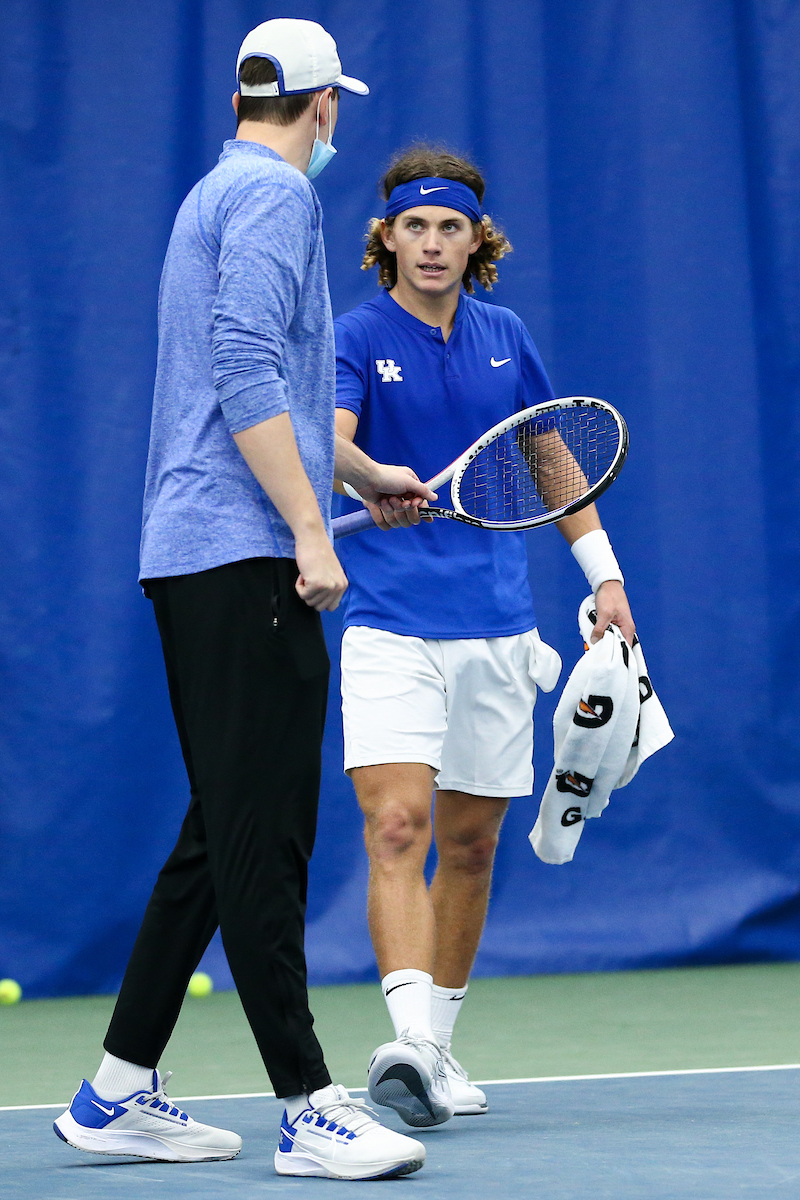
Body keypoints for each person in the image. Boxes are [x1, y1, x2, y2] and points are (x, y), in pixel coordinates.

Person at [53, 20, 434, 1182]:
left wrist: (361, 475)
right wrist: (311, 531)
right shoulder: (274, 199)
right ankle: (308, 1106)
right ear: (324, 107)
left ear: (241, 101)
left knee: (222, 830)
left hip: (203, 552)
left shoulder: (214, 192)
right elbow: (241, 369)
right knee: (264, 836)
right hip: (242, 556)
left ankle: (117, 1089)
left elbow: (265, 380)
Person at [333, 146, 636, 1128]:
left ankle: (437, 1049)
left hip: (499, 630)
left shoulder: (505, 335)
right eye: (414, 227)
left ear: (476, 242)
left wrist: (605, 580)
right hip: (390, 628)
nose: (432, 243)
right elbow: (327, 441)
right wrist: (368, 476)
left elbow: (552, 460)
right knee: (396, 826)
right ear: (387, 239)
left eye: (450, 228)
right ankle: (408, 1045)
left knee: (468, 844)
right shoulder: (354, 335)